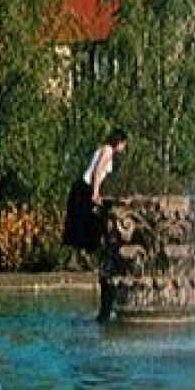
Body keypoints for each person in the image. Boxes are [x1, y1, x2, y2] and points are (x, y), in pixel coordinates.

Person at [63, 128, 129, 322]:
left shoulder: (101, 148)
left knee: (82, 226)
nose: (124, 148)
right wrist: (95, 193)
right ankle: (84, 257)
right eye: (124, 144)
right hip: (85, 190)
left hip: (80, 188)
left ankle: (79, 256)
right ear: (119, 142)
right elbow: (98, 171)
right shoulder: (108, 151)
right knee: (89, 225)